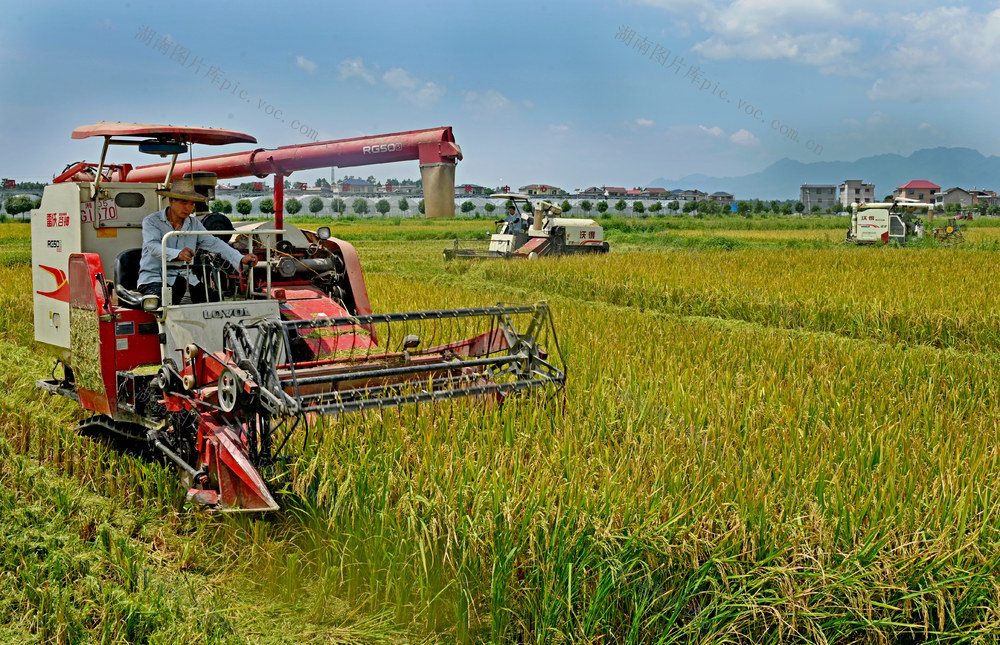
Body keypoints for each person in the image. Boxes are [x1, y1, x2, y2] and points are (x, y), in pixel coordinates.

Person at [137, 179, 257, 305]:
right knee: (165, 302)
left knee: (214, 298)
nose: (188, 208)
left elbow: (215, 243)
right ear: (172, 201)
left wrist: (240, 258)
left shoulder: (194, 223)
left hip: (185, 278)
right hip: (155, 278)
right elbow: (153, 246)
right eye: (184, 202)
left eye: (192, 204)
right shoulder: (151, 221)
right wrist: (178, 254)